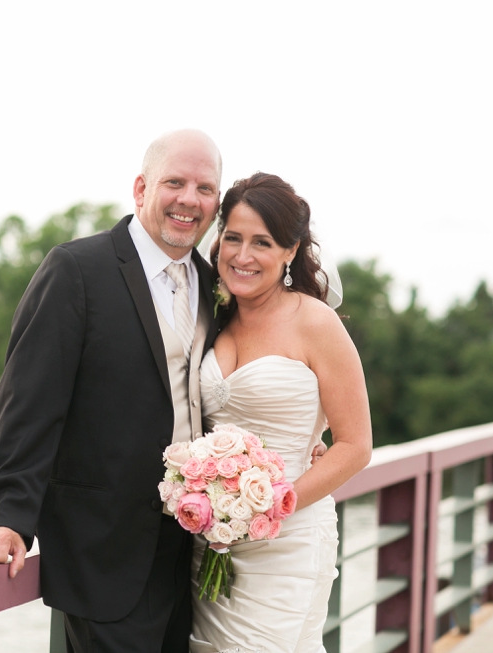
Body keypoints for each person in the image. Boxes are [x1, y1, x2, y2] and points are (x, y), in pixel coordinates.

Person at [0, 129, 223, 653]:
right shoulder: (77, 270)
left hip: (191, 554)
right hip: (102, 551)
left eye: (205, 188)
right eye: (174, 182)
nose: (189, 199)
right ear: (140, 188)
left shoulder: (211, 284)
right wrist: (4, 517)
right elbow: (28, 403)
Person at [190, 172, 372, 653]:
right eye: (233, 237)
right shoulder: (213, 317)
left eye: (262, 243)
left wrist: (273, 504)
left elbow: (355, 446)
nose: (242, 256)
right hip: (214, 538)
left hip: (287, 541)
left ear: (290, 251)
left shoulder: (315, 322)